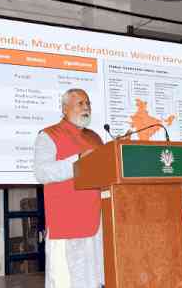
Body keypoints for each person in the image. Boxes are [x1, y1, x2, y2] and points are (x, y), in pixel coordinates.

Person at [34, 89, 104, 288]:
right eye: (80, 103)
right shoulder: (49, 135)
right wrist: (78, 160)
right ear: (65, 109)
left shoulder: (95, 138)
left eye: (88, 103)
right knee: (67, 279)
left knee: (93, 278)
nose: (86, 107)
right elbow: (42, 172)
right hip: (67, 220)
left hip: (96, 219)